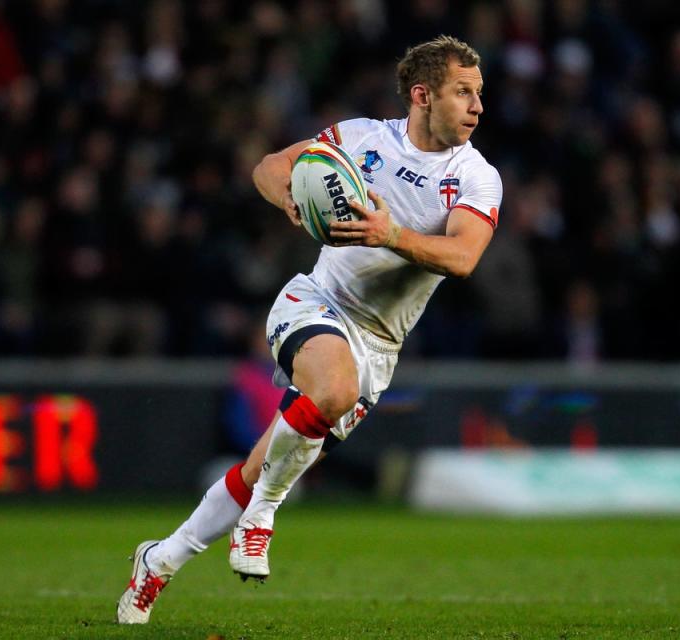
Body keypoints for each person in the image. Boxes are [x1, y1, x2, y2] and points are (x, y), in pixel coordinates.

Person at [116, 35, 502, 624]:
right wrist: (290, 201)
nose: (478, 106)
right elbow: (271, 167)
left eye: (479, 93)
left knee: (255, 468)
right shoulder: (362, 138)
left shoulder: (477, 177)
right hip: (316, 302)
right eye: (464, 92)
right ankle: (265, 515)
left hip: (379, 346)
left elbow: (463, 257)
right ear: (423, 96)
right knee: (330, 392)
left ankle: (159, 562)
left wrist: (389, 234)